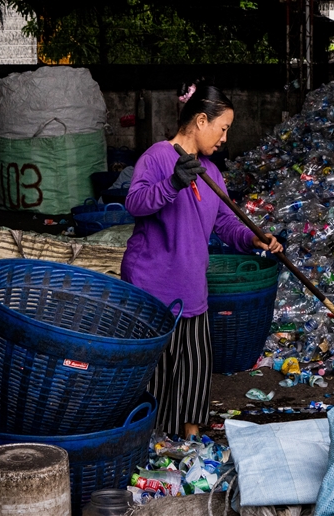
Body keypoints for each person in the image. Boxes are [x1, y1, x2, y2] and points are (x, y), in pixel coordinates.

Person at [121, 84, 282, 439]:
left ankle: (191, 437)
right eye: (222, 128)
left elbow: (224, 222)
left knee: (194, 366)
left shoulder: (211, 171)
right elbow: (135, 203)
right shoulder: (158, 158)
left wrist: (252, 237)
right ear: (200, 120)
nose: (225, 137)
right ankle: (151, 439)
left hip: (192, 286)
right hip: (153, 288)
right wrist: (173, 183)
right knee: (158, 372)